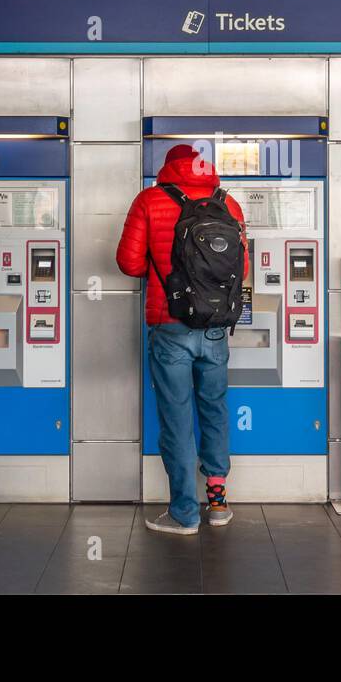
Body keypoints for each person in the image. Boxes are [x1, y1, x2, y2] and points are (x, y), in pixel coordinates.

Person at [116, 144, 248, 534]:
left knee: (176, 416)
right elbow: (241, 262)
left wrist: (165, 272)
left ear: (167, 168)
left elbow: (128, 262)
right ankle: (218, 499)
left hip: (169, 321)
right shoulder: (230, 204)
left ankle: (184, 512)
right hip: (215, 325)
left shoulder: (150, 200)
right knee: (215, 408)